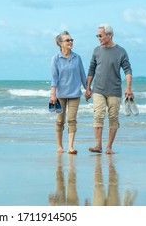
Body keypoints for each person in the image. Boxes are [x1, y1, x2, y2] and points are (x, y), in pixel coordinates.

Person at [84, 24, 133, 154]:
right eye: (97, 35)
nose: (98, 38)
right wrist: (88, 88)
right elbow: (91, 70)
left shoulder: (121, 51)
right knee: (98, 116)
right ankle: (98, 145)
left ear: (109, 35)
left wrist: (128, 88)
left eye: (100, 35)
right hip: (98, 90)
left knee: (113, 118)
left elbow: (127, 70)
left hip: (114, 90)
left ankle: (109, 147)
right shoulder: (96, 51)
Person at [50, 31, 87, 154]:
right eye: (67, 40)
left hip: (75, 94)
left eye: (71, 40)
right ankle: (59, 146)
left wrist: (87, 89)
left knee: (72, 120)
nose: (70, 42)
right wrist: (53, 94)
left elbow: (82, 75)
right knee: (60, 121)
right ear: (60, 43)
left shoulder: (77, 58)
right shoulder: (56, 59)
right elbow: (54, 78)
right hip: (60, 95)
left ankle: (71, 146)